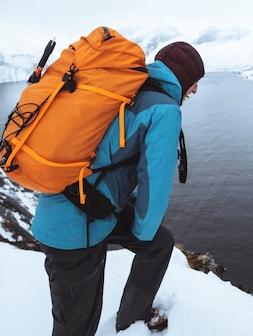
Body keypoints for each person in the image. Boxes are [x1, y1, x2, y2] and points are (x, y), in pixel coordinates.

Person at [31, 41, 205, 335]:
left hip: (76, 205)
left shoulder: (130, 91)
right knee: (76, 328)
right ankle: (128, 322)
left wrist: (136, 226)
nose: (196, 90)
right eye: (195, 82)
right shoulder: (164, 110)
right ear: (183, 77)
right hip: (76, 231)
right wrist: (140, 232)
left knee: (159, 244)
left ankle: (131, 322)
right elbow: (155, 183)